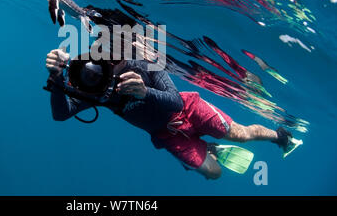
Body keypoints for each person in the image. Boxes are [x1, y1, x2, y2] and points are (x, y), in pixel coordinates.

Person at [45, 48, 297, 180]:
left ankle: (280, 136)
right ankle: (209, 150)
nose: (106, 72)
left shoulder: (141, 64)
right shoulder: (97, 88)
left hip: (189, 109)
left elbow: (175, 102)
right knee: (214, 174)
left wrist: (146, 92)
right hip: (165, 134)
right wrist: (56, 80)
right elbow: (62, 114)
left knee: (241, 135)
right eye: (91, 77)